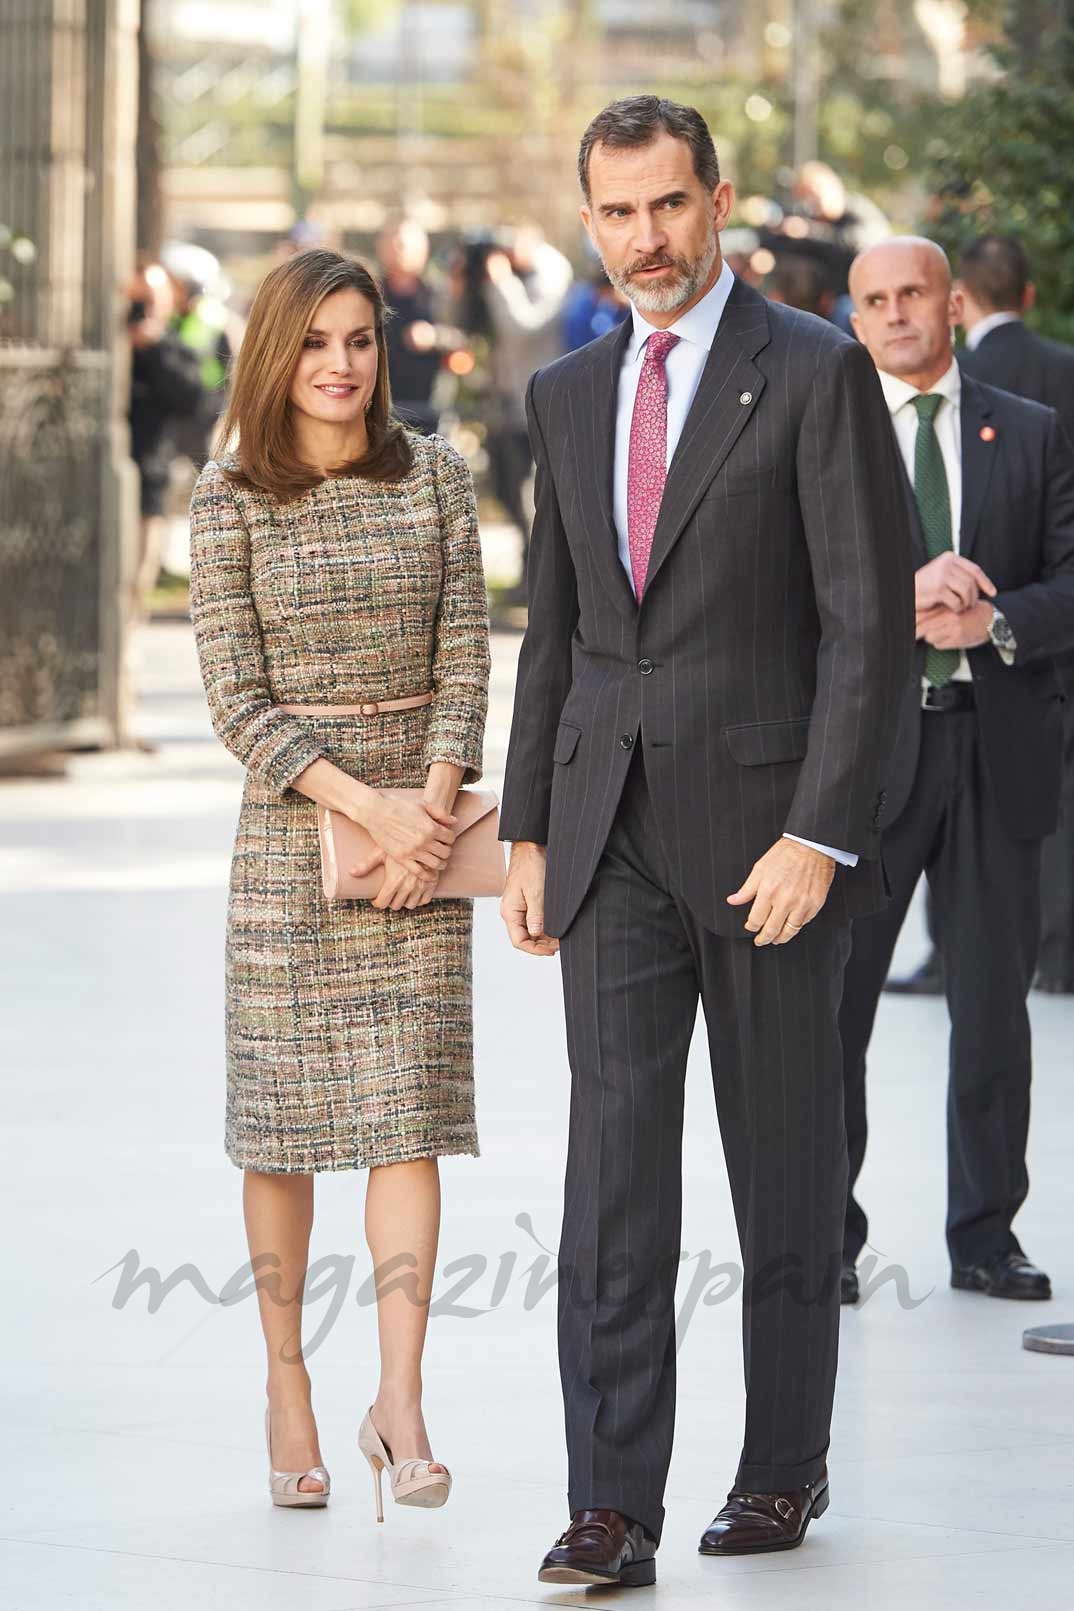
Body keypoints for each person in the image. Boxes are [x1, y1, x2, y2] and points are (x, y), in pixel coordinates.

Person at [497, 96, 913, 1585]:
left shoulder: (809, 371)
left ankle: (782, 1467)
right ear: (588, 217)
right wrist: (528, 826)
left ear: (716, 201)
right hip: (606, 833)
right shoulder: (564, 392)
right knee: (613, 1174)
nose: (642, 240)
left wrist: (821, 830)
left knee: (780, 1164)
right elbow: (553, 627)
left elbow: (865, 630)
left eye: (666, 206)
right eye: (614, 212)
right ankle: (610, 1501)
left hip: (766, 849)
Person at [187, 249, 490, 1514]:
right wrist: (367, 807)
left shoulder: (436, 478)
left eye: (361, 339)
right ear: (277, 352)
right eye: (317, 341)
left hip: (422, 840)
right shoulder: (230, 498)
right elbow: (234, 699)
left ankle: (401, 1399)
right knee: (285, 1126)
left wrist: (431, 795)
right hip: (294, 842)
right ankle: (289, 1384)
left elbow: (467, 649)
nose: (342, 364)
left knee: (405, 1118)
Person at [840, 237, 1074, 1306]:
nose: (895, 315)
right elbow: (787, 585)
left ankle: (986, 1237)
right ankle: (823, 1238)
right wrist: (905, 583)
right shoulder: (827, 438)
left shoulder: (1028, 430)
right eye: (874, 301)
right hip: (872, 755)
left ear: (956, 302)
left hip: (995, 743)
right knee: (836, 1010)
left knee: (991, 1013)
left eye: (913, 294)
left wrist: (995, 620)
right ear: (855, 320)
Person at [959, 234, 1074, 995]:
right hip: (1053, 607)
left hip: (958, 622)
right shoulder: (1065, 366)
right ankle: (1058, 953)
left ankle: (952, 952)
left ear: (959, 301)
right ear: (1028, 296)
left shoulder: (956, 375)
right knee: (1053, 786)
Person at [125, 262, 206, 744]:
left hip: (145, 490)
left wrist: (152, 344)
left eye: (150, 301)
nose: (140, 311)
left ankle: (121, 703)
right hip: (88, 490)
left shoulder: (168, 348)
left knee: (131, 594)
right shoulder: (105, 341)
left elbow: (191, 395)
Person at [375, 215, 446, 435]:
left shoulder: (439, 296)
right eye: (394, 243)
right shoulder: (371, 295)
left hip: (431, 412)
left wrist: (435, 337)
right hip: (380, 412)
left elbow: (464, 338)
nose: (399, 250)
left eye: (405, 244)